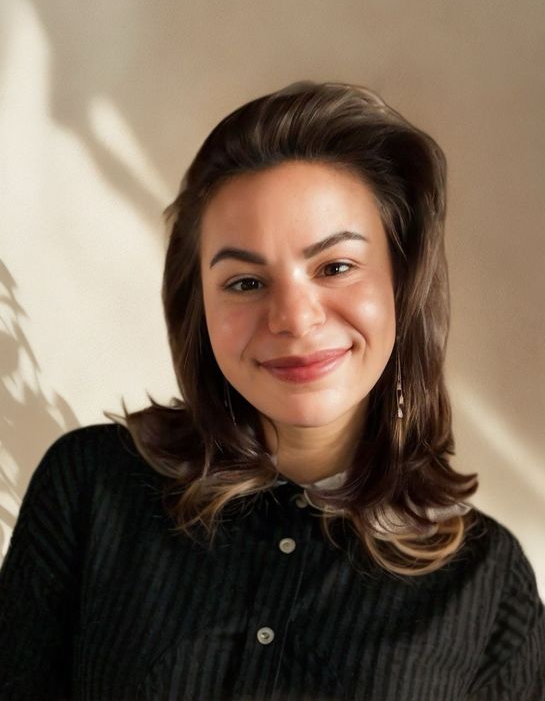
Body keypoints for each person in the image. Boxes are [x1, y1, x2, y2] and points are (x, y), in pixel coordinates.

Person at [0, 82, 543, 700]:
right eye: (245, 282)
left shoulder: (488, 585)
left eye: (335, 267)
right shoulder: (88, 489)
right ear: (197, 307)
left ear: (402, 284)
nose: (292, 317)